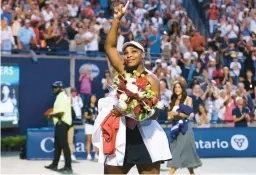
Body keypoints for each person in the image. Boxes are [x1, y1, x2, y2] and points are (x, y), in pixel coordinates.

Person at [92, 1, 172, 174]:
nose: (128, 55)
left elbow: (155, 114)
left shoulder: (152, 79)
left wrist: (131, 109)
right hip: (119, 135)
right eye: (126, 53)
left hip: (146, 138)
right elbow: (109, 46)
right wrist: (117, 19)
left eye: (133, 51)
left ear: (143, 54)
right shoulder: (122, 71)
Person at [167, 81, 202, 174]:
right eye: (175, 87)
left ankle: (171, 172)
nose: (177, 89)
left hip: (185, 127)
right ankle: (192, 173)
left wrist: (177, 113)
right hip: (175, 127)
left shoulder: (188, 99)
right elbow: (169, 117)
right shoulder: (171, 101)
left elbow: (189, 115)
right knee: (183, 150)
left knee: (178, 151)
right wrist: (170, 116)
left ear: (182, 89)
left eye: (179, 87)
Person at [44, 81, 72, 174]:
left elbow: (61, 113)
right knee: (57, 145)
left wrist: (51, 114)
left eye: (55, 87)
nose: (53, 89)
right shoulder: (59, 97)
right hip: (59, 123)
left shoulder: (62, 97)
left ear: (60, 88)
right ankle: (54, 164)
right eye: (53, 87)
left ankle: (68, 167)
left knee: (64, 145)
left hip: (62, 123)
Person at [84, 94, 99, 160]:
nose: (93, 99)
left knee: (96, 140)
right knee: (89, 140)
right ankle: (89, 155)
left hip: (96, 125)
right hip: (89, 125)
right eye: (92, 98)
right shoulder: (87, 107)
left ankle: (96, 154)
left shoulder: (97, 107)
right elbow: (85, 116)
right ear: (90, 99)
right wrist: (92, 116)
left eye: (94, 98)